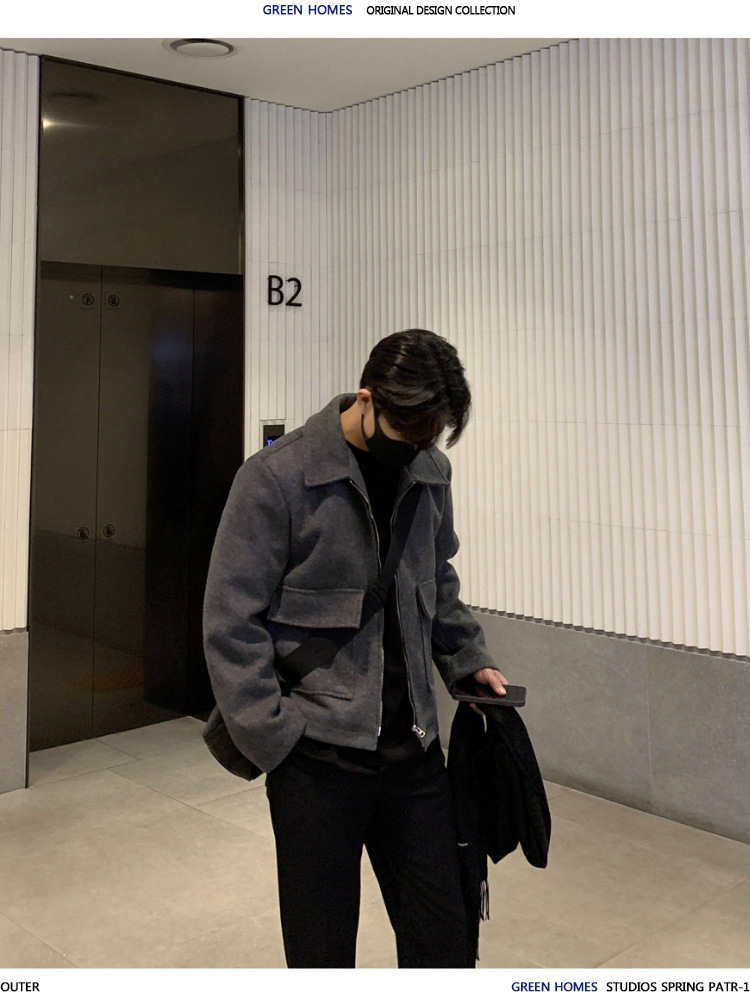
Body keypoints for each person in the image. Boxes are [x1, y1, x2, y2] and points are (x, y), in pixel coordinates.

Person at [202, 328, 508, 968]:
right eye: (408, 433)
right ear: (366, 399)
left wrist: (467, 659)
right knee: (321, 955)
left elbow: (437, 578)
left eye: (431, 437)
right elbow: (231, 621)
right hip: (316, 762)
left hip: (415, 754)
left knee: (445, 947)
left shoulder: (430, 471)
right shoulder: (276, 478)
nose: (417, 449)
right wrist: (274, 736)